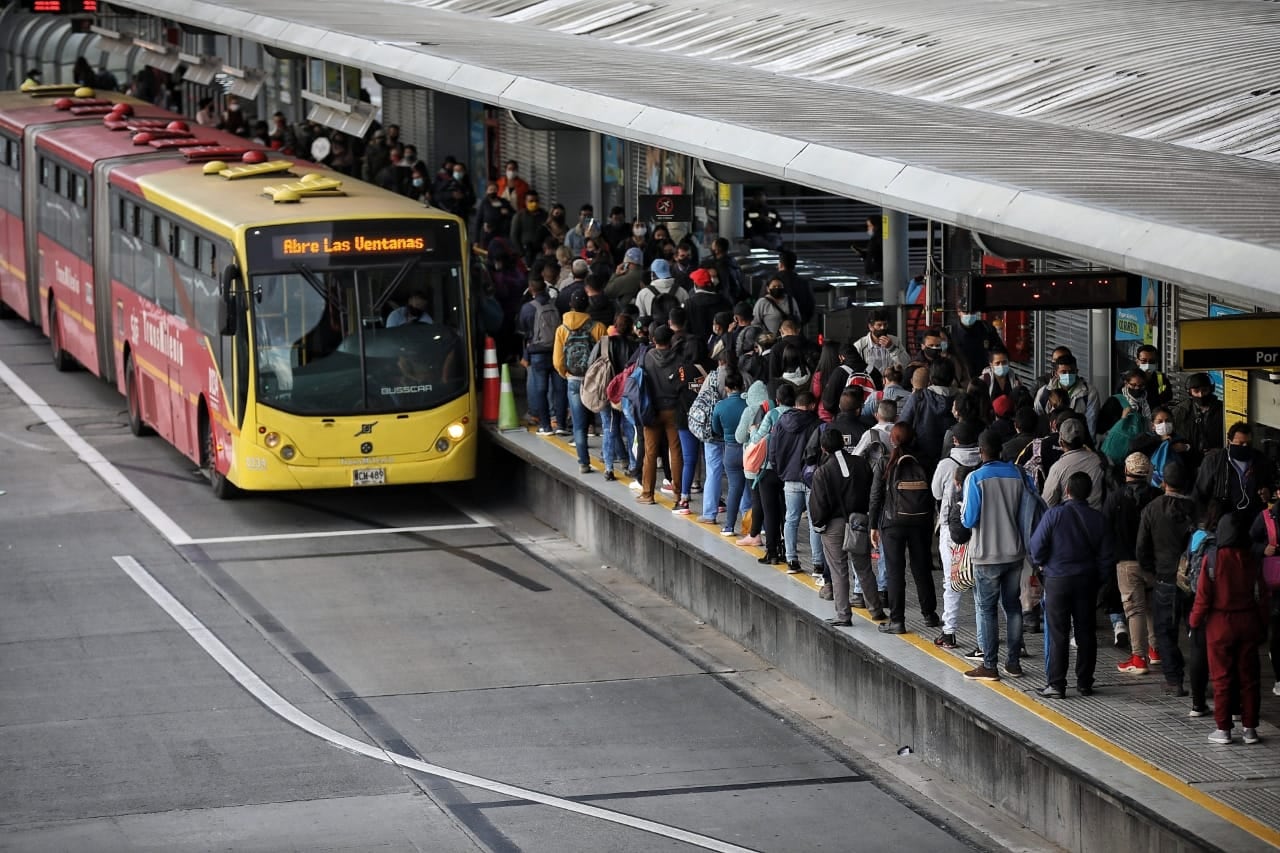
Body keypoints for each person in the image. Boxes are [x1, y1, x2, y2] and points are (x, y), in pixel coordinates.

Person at [1031, 472, 1114, 698]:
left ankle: (1057, 685)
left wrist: (1042, 566)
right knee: (1086, 632)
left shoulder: (1054, 515)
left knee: (1058, 633)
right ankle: (1085, 682)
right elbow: (1107, 556)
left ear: (1067, 490)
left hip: (1057, 580)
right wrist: (1099, 581)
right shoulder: (1098, 519)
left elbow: (1036, 546)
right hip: (1087, 581)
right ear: (1090, 492)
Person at [1190, 512, 1269, 745]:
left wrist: (1194, 622)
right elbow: (1262, 596)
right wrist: (1263, 625)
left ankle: (1223, 729)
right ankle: (1250, 729)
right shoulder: (1252, 559)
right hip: (1248, 623)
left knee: (1222, 678)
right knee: (1249, 678)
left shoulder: (1213, 559)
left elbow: (1203, 597)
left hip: (1219, 626)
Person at [960, 429, 1033, 681]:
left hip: (987, 555)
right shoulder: (1020, 475)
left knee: (986, 609)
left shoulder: (975, 478)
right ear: (1000, 451)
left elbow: (969, 519)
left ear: (981, 452)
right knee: (1012, 607)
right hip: (1014, 553)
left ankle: (989, 665)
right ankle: (1013, 663)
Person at [869, 422, 939, 634]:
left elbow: (876, 496)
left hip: (893, 523)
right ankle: (930, 614)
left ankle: (897, 620)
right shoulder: (926, 461)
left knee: (895, 570)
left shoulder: (885, 463)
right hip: (921, 522)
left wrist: (873, 525)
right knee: (921, 567)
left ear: (893, 440)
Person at [1137, 460, 1199, 696]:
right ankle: (1199, 677)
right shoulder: (1196, 509)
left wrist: (1150, 573)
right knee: (1196, 629)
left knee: (1165, 631)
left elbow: (1141, 548)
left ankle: (1174, 680)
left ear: (1163, 483)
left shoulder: (1152, 509)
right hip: (1194, 581)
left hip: (1164, 579)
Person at [810, 428, 882, 625]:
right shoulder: (861, 464)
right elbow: (871, 492)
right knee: (864, 567)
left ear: (824, 448)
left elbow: (818, 506)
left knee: (838, 569)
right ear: (843, 443)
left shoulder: (822, 472)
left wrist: (820, 524)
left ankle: (843, 615)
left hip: (833, 526)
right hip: (858, 522)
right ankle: (876, 610)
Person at [932, 421, 983, 649]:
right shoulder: (983, 462)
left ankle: (949, 632)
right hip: (980, 529)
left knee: (952, 580)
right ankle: (985, 635)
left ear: (954, 440)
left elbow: (935, 491)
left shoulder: (946, 464)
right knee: (981, 582)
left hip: (951, 528)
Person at [1110, 453, 1163, 673]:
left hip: (1127, 562)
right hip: (1155, 562)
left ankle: (1138, 658)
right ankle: (1156, 650)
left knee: (1135, 610)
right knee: (1151, 607)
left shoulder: (1115, 498)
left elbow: (1106, 528)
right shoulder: (1158, 496)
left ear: (1126, 472)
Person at [554, 291, 607, 474]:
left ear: (570, 305)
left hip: (574, 380)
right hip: (595, 380)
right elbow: (605, 355)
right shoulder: (598, 327)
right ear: (588, 306)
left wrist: (566, 373)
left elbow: (557, 361)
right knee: (607, 421)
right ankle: (611, 458)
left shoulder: (562, 329)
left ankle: (583, 462)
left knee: (579, 424)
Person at [771, 391, 821, 575]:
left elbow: (773, 450)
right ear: (812, 405)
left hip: (789, 478)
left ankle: (791, 560)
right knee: (815, 522)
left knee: (791, 519)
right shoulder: (817, 424)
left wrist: (780, 471)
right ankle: (817, 564)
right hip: (812, 479)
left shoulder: (781, 422)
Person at [637, 325, 688, 507]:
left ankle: (647, 493)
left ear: (653, 340)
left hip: (652, 410)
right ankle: (677, 494)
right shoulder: (679, 360)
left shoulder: (646, 358)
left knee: (650, 452)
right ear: (670, 340)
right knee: (675, 451)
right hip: (674, 410)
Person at [1194, 421, 1277, 521]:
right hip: (1224, 520)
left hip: (1253, 519)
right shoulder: (1214, 461)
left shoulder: (1260, 460)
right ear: (1229, 442)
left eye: (1248, 443)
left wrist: (1268, 492)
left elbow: (1271, 485)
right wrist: (1203, 520)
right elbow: (1200, 493)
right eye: (1241, 443)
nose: (1245, 446)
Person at [592, 314, 639, 481]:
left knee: (609, 429)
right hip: (627, 393)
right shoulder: (636, 346)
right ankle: (633, 465)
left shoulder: (604, 343)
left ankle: (609, 468)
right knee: (630, 428)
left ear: (615, 326)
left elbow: (591, 364)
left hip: (607, 391)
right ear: (631, 327)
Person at [518, 279, 568, 437]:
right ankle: (561, 424)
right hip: (556, 351)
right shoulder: (555, 305)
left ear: (531, 289)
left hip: (537, 353)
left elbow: (523, 329)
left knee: (541, 389)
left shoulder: (527, 308)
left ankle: (545, 426)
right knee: (560, 389)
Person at [899, 359, 957, 474]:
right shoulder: (961, 399)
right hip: (953, 463)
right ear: (952, 378)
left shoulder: (919, 397)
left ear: (931, 377)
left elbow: (902, 427)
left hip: (920, 461)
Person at [711, 372, 750, 534]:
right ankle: (758, 527)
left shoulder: (720, 406)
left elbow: (715, 429)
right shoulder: (748, 404)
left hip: (731, 450)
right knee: (753, 489)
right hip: (750, 450)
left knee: (735, 489)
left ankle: (729, 527)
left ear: (726, 388)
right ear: (742, 386)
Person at [1041, 418, 1108, 510]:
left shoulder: (1058, 468)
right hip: (1096, 517)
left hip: (1069, 520)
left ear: (1061, 441)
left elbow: (1047, 504)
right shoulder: (1098, 459)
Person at [1033, 354, 1101, 436]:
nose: (1068, 375)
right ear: (1056, 374)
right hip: (1050, 440)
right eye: (1063, 372)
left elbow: (1091, 422)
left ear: (1077, 372)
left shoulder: (1089, 392)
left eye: (1071, 372)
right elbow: (1038, 418)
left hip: (1077, 441)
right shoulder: (1044, 393)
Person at [1173, 373, 1223, 472]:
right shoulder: (1181, 411)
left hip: (1215, 462)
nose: (1200, 395)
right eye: (1196, 391)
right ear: (1190, 392)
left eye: (1204, 390)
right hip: (1187, 462)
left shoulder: (1222, 410)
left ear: (1211, 389)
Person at [951, 306, 1005, 380]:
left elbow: (999, 350)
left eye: (972, 312)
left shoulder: (987, 329)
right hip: (962, 380)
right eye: (966, 312)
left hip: (986, 377)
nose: (969, 315)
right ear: (959, 312)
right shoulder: (951, 333)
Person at [636, 259, 688, 326]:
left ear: (652, 274)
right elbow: (686, 315)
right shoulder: (682, 291)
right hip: (676, 334)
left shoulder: (643, 294)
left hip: (653, 333)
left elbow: (640, 320)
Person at [510, 190, 548, 265]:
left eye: (536, 201)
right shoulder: (519, 216)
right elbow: (514, 236)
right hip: (525, 252)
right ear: (526, 202)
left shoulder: (544, 215)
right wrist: (521, 254)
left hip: (541, 252)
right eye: (531, 201)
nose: (534, 203)